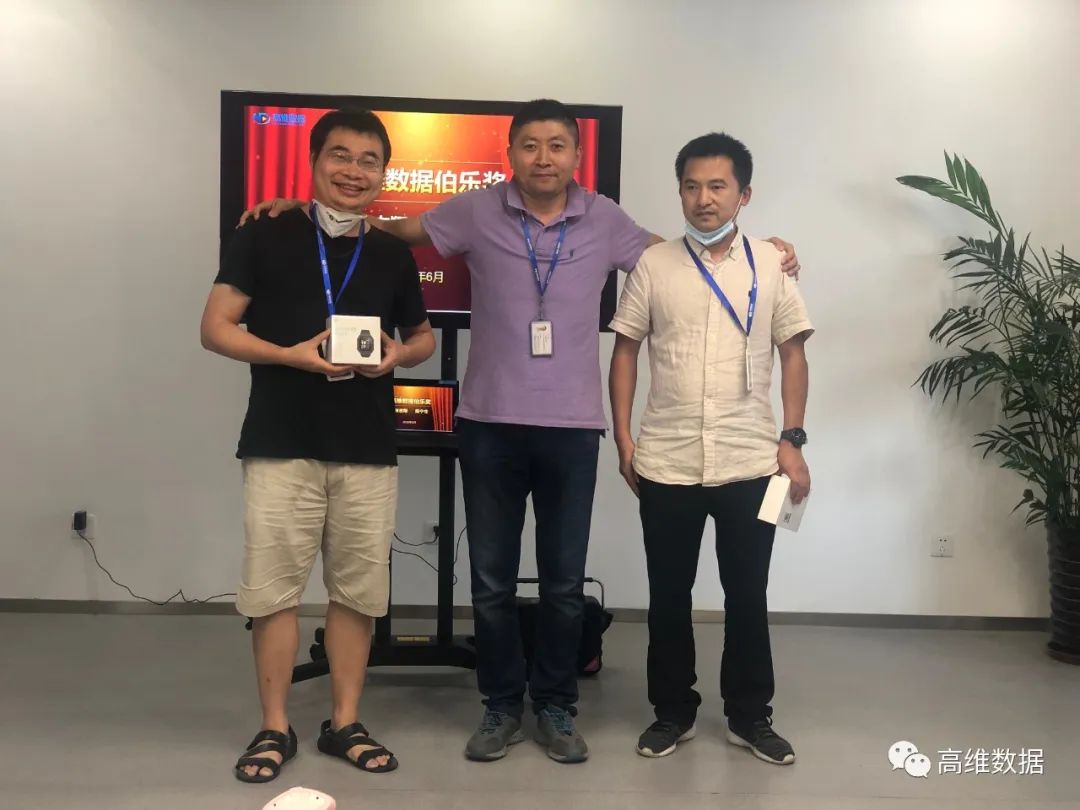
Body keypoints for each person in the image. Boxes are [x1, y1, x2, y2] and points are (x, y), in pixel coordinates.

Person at [240, 99, 802, 765]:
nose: (543, 157)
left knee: (563, 586)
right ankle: (501, 706)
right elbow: (398, 230)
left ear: (576, 155)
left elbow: (683, 257)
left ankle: (556, 706)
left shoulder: (605, 219)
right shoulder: (477, 210)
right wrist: (305, 212)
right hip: (489, 424)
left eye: (557, 145)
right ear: (510, 154)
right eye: (530, 145)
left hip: (572, 429)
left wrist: (765, 250)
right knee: (491, 583)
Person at [202, 109, 435, 782]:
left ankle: (345, 722)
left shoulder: (391, 252)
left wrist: (398, 355)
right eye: (340, 155)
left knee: (357, 593)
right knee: (273, 593)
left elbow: (420, 337)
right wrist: (289, 355)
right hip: (282, 441)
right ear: (313, 162)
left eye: (369, 160)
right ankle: (274, 726)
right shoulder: (263, 233)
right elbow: (215, 327)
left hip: (367, 446)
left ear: (383, 173)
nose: (353, 171)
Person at [608, 132, 813, 766]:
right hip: (666, 458)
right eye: (692, 186)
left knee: (747, 594)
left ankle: (750, 717)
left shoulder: (772, 264)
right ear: (680, 192)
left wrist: (792, 439)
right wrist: (624, 438)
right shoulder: (654, 265)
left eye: (718, 186)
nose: (704, 198)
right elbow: (625, 351)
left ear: (743, 194)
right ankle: (672, 712)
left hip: (750, 458)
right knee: (668, 595)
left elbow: (794, 354)